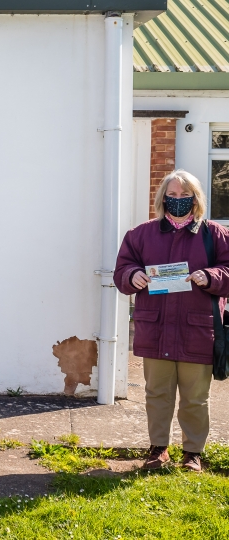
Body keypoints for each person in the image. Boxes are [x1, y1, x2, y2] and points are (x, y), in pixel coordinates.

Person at [114, 169, 229, 472]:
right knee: (157, 395)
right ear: (162, 197)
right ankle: (158, 449)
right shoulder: (141, 234)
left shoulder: (214, 234)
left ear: (196, 199)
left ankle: (193, 453)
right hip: (156, 329)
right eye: (172, 195)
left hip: (198, 330)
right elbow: (122, 271)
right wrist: (132, 275)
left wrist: (211, 275)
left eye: (185, 195)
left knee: (195, 398)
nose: (178, 200)